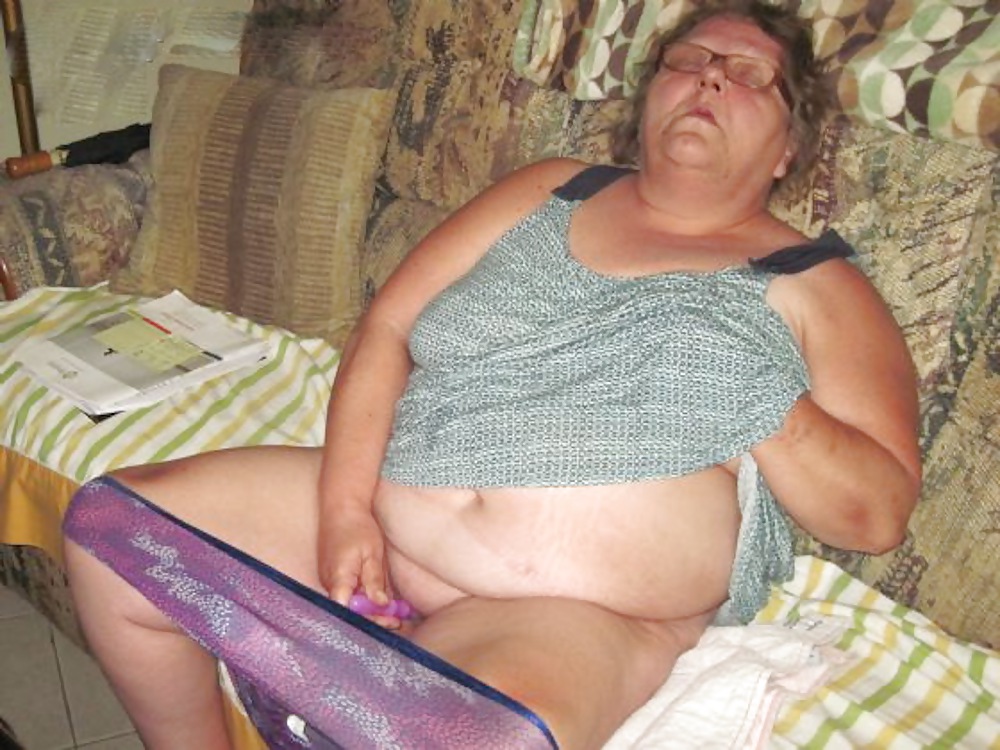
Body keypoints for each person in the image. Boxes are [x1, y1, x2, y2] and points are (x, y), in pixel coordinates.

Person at [62, 1, 921, 748]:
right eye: (687, 61)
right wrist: (345, 509)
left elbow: (876, 515)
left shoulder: (816, 282)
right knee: (112, 536)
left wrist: (761, 401)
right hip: (389, 517)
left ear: (789, 148)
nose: (709, 78)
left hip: (574, 611)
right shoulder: (553, 188)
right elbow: (389, 325)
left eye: (748, 75)